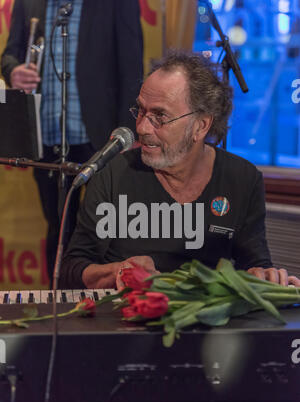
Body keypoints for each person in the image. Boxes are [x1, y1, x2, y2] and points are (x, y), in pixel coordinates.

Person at [59, 50, 300, 290]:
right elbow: (72, 270)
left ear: (200, 126)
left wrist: (265, 276)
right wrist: (118, 271)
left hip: (207, 322)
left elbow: (255, 263)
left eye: (159, 116)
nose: (142, 127)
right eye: (141, 111)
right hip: (127, 317)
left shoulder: (242, 179)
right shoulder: (111, 174)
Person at [0, 0, 144, 283]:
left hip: (102, 138)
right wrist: (14, 71)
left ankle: (102, 305)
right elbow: (9, 55)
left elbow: (131, 64)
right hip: (46, 136)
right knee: (58, 227)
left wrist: (130, 131)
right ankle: (60, 303)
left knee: (106, 229)